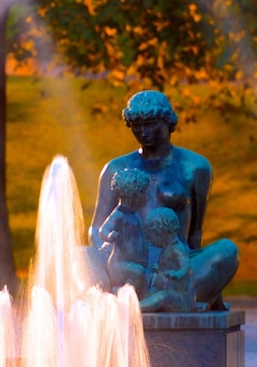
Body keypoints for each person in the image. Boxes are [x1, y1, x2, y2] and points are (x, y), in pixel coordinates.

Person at [88, 90, 238, 310]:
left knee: (228, 251)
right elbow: (96, 228)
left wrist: (185, 266)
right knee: (81, 255)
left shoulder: (195, 167)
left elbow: (195, 232)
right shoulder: (116, 168)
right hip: (127, 265)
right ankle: (117, 298)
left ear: (168, 122)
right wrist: (117, 257)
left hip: (171, 265)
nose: (144, 132)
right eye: (137, 126)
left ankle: (148, 298)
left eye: (151, 125)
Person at [138, 207, 205, 313]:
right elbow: (167, 267)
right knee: (149, 293)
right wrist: (158, 269)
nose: (149, 240)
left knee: (162, 297)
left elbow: (186, 264)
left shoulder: (177, 249)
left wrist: (178, 273)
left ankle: (134, 309)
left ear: (160, 232)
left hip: (181, 299)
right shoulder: (168, 249)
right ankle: (134, 304)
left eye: (150, 236)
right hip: (168, 291)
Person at [98, 168, 150, 296]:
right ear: (132, 194)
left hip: (135, 263)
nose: (146, 196)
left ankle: (132, 295)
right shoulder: (119, 214)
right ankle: (119, 293)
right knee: (138, 272)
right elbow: (103, 229)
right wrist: (109, 236)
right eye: (143, 193)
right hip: (119, 264)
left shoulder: (135, 214)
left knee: (143, 274)